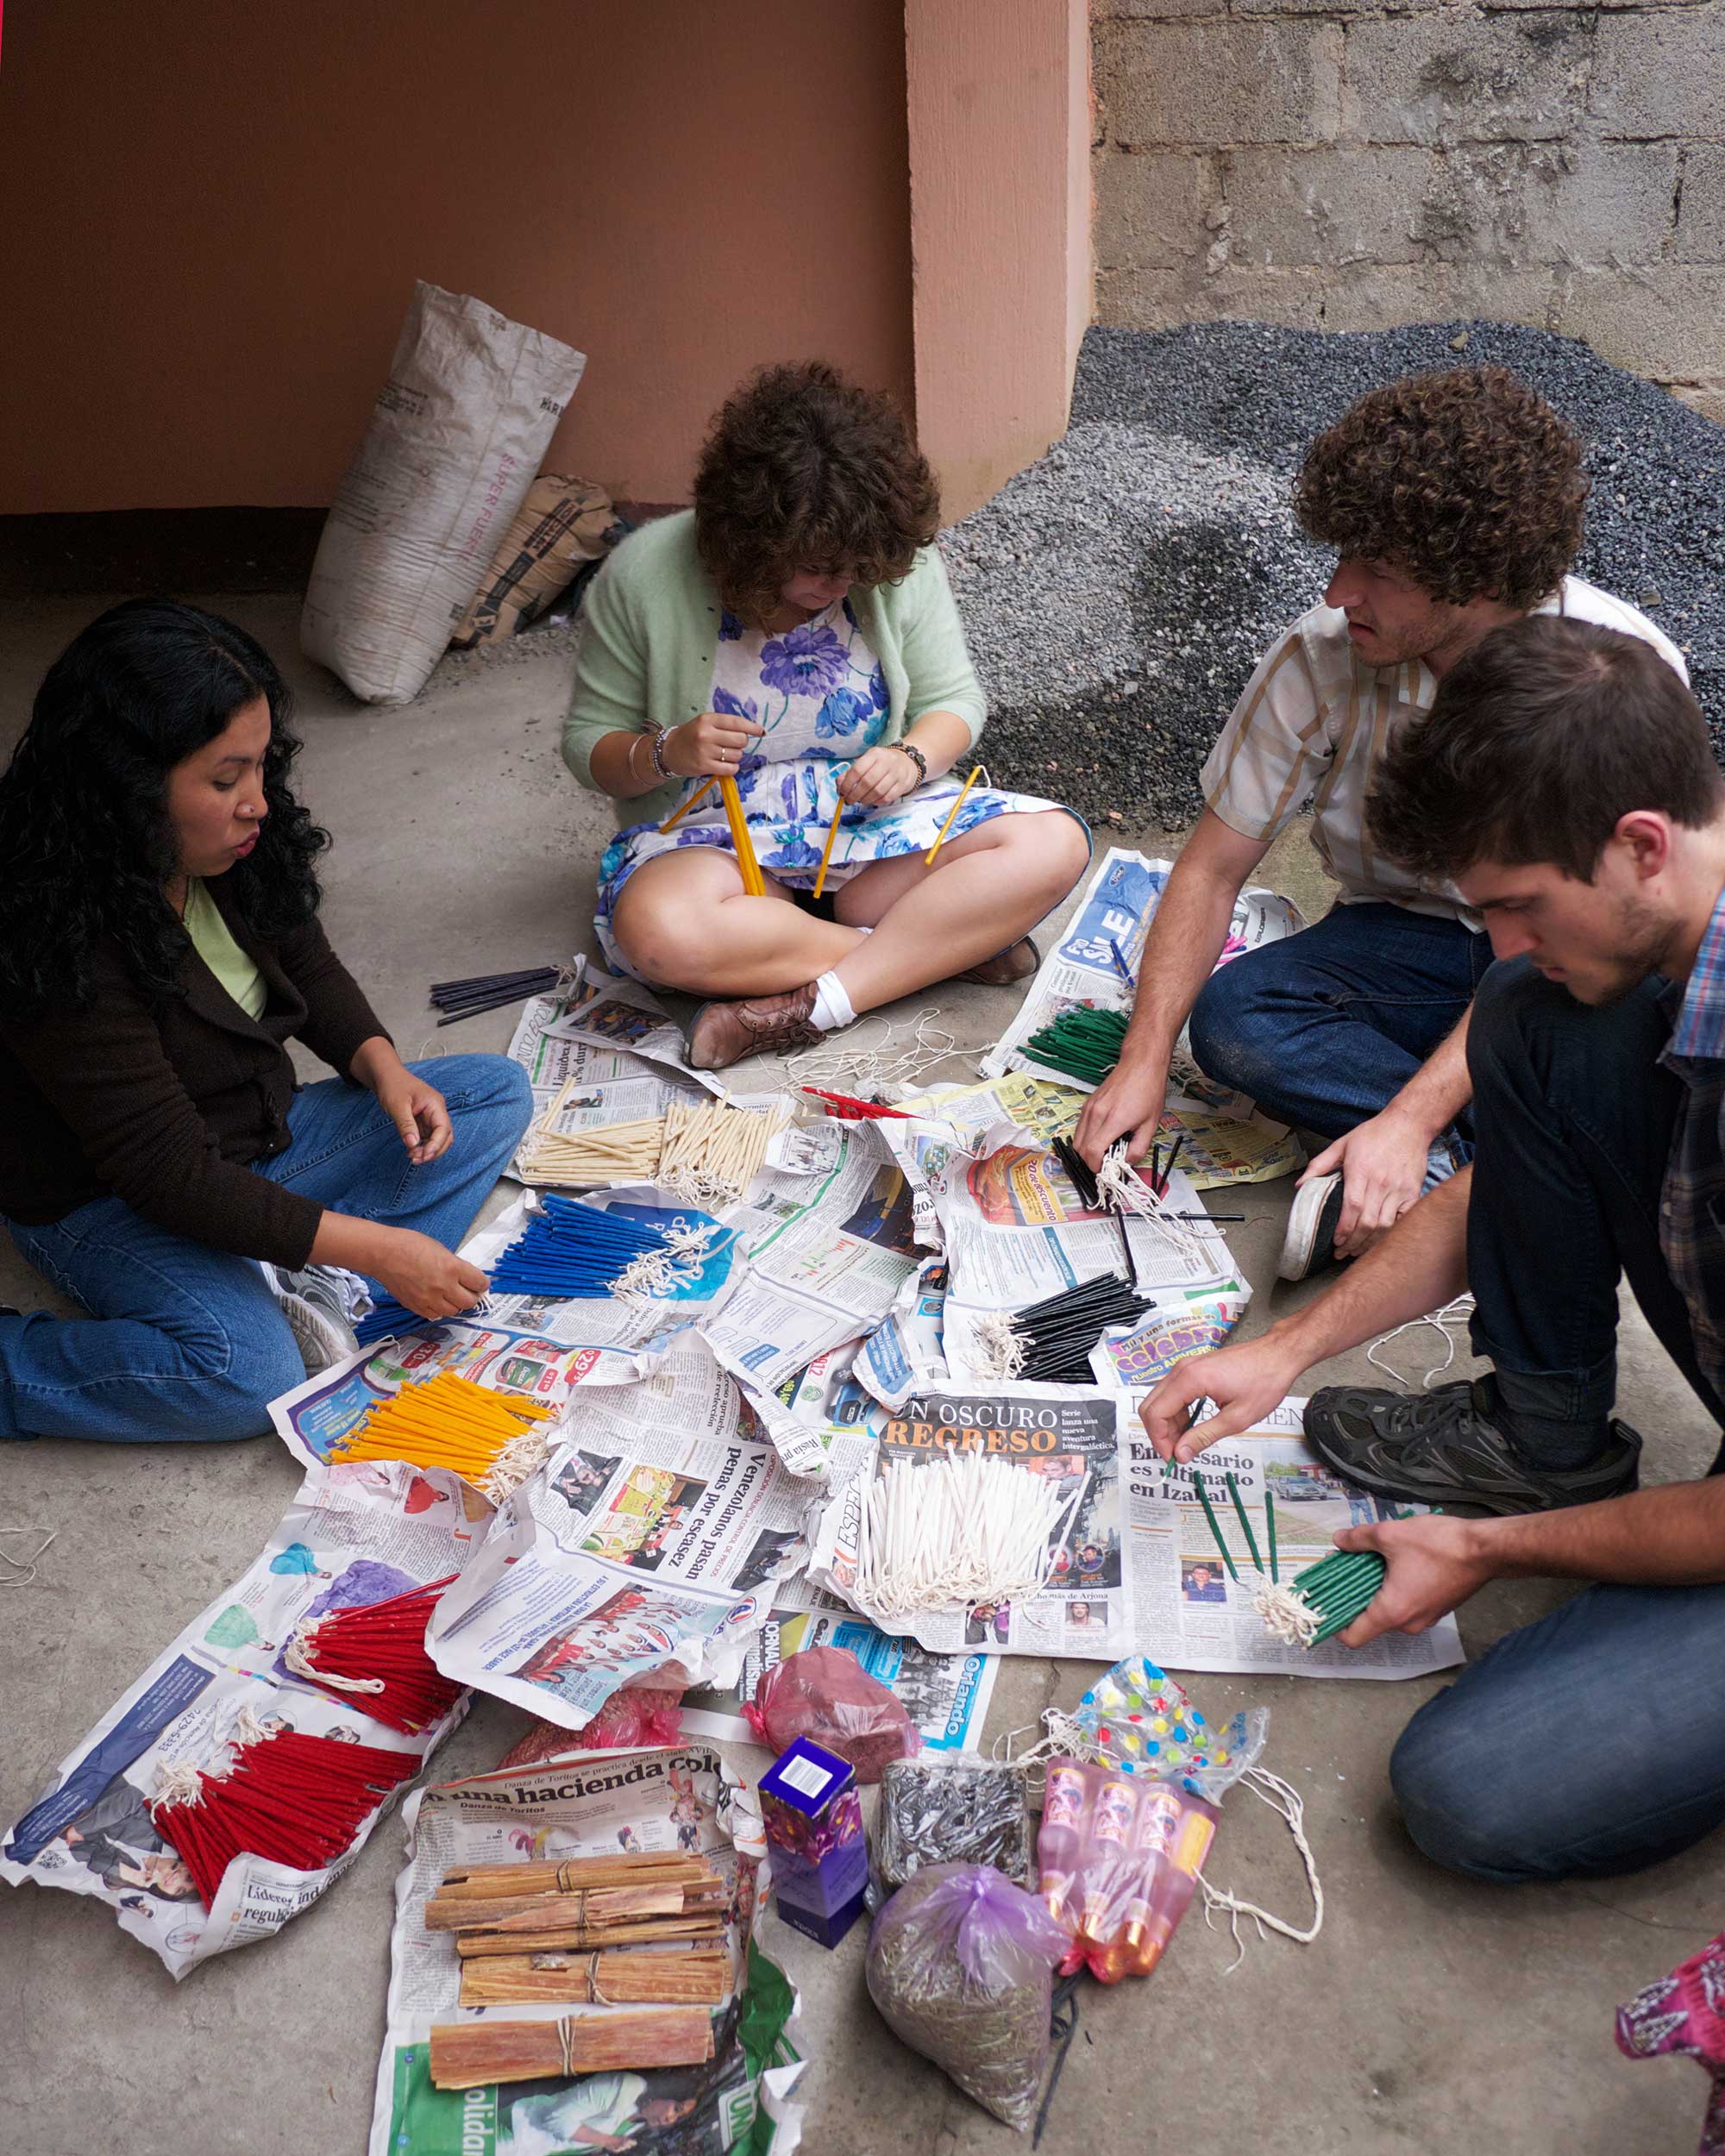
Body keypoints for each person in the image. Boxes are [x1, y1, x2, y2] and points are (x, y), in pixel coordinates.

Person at [1141, 615, 1725, 1883]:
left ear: (1639, 845)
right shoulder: (1626, 943)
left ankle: (1539, 1510)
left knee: (1471, 1794)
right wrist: (1281, 1353)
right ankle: (1548, 1441)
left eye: (1517, 906)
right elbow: (1507, 1180)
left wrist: (1484, 1549)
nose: (1498, 946)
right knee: (1527, 1020)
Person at [1076, 365, 1687, 1282]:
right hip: (1405, 945)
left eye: (1377, 571)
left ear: (1472, 580)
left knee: (1623, 1026)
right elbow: (1207, 870)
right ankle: (1490, 1163)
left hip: (1568, 952)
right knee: (1237, 1020)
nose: (1334, 592)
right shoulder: (1320, 659)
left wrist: (1404, 1118)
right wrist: (1141, 1059)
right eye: (1339, 553)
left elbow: (1562, 938)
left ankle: (1454, 1153)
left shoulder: (1615, 675)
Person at [0, 601, 533, 1445]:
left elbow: (307, 962)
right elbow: (168, 1175)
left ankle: (313, 1277)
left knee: (488, 1095)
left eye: (260, 766)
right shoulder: (61, 937)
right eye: (224, 779)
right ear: (126, 789)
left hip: (254, 1140)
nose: (257, 802)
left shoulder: (234, 842)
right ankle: (18, 1369)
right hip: (108, 1200)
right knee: (244, 1379)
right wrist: (379, 1248)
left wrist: (382, 1065)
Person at [562, 361, 1090, 1072]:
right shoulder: (645, 573)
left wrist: (909, 759)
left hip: (864, 824)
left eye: (861, 568)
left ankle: (812, 1003)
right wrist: (667, 752)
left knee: (1054, 843)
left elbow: (955, 703)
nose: (842, 584)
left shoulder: (884, 560)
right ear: (750, 541)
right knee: (658, 933)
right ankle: (935, 951)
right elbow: (587, 745)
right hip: (718, 838)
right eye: (817, 567)